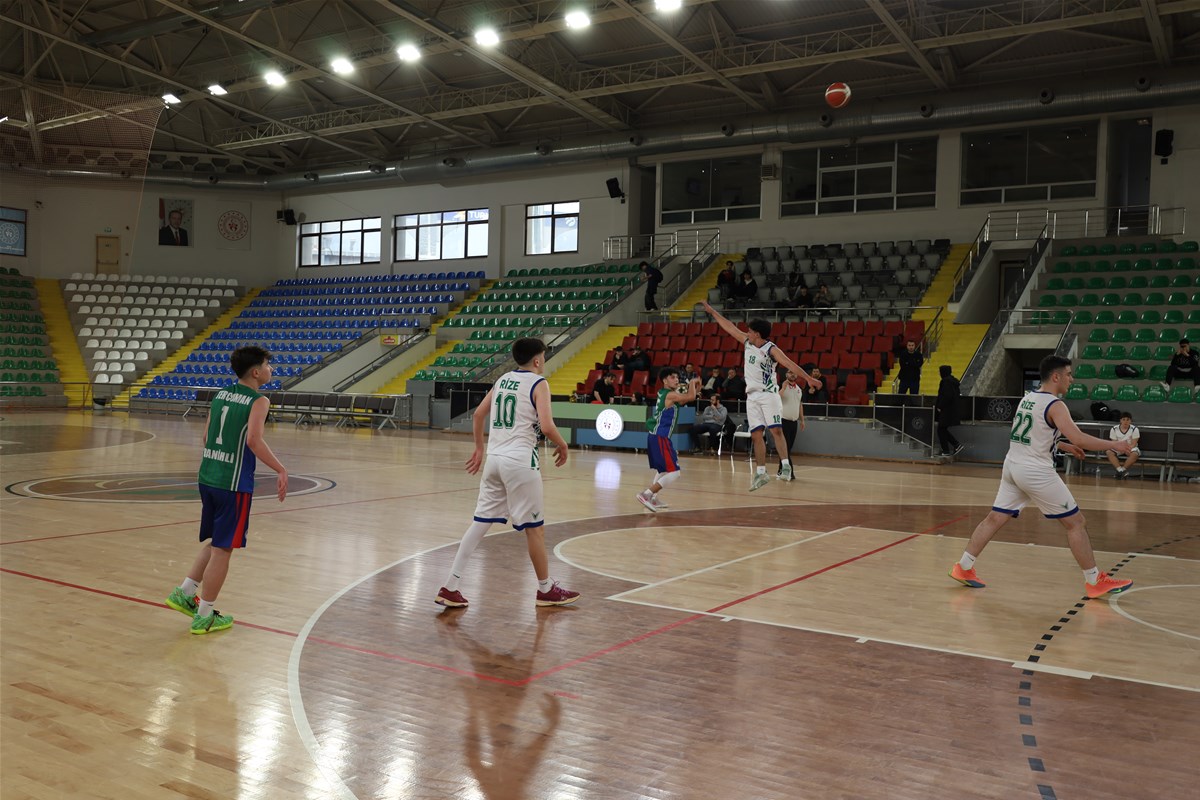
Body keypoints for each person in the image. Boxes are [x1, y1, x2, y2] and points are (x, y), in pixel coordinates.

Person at [948, 355, 1134, 600]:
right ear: (1056, 377)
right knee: (1076, 523)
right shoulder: (1056, 405)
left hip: (1013, 466)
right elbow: (1079, 437)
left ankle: (963, 566)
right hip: (1035, 471)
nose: (1071, 379)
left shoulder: (1028, 398)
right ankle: (1094, 580)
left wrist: (1064, 446)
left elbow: (1034, 434)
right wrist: (1115, 445)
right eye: (1069, 374)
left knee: (995, 517)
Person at [435, 337, 579, 608]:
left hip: (494, 460)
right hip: (520, 463)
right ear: (537, 360)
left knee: (480, 523)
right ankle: (545, 589)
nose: (544, 361)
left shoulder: (502, 380)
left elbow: (478, 415)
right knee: (535, 530)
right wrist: (562, 445)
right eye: (543, 357)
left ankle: (450, 586)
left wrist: (479, 449)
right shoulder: (539, 383)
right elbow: (547, 426)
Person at [163, 346, 288, 635]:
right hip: (233, 483)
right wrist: (280, 469)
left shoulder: (220, 395)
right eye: (267, 365)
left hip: (208, 476)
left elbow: (207, 437)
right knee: (223, 549)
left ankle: (185, 592)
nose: (271, 369)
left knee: (217, 542)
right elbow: (254, 440)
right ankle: (205, 615)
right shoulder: (259, 400)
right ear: (255, 372)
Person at [702, 301, 822, 489]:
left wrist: (808, 378)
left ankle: (785, 466)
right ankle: (761, 473)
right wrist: (712, 312)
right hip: (752, 396)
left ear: (757, 334)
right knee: (756, 435)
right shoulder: (747, 342)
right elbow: (730, 327)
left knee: (776, 431)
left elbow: (789, 364)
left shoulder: (771, 349)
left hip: (768, 394)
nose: (746, 333)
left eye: (749, 331)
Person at [637, 367, 701, 512]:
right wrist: (692, 383)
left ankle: (653, 499)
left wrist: (695, 388)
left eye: (677, 377)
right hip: (660, 437)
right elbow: (690, 397)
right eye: (673, 377)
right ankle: (646, 494)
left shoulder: (665, 393)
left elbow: (687, 399)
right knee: (675, 473)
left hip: (656, 436)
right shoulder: (671, 395)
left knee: (662, 470)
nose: (676, 380)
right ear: (665, 381)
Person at [776, 369, 805, 479]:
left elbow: (799, 404)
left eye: (794, 373)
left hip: (794, 422)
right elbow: (776, 399)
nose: (792, 374)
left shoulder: (798, 389)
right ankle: (790, 472)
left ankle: (780, 471)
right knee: (786, 448)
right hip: (783, 421)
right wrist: (783, 388)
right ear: (786, 374)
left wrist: (802, 420)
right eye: (790, 372)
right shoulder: (781, 386)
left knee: (788, 448)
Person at [935, 364, 964, 456]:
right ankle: (955, 446)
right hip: (952, 410)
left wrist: (940, 406)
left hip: (947, 410)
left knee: (941, 429)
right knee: (942, 429)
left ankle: (948, 449)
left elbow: (946, 396)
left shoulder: (945, 382)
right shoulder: (953, 382)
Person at [1105, 412, 1141, 478]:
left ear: (1130, 421)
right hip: (1118, 447)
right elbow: (1114, 443)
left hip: (1130, 447)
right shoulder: (1114, 429)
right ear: (1120, 420)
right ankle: (1120, 470)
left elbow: (1134, 443)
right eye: (1123, 419)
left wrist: (1127, 449)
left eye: (1127, 420)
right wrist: (1122, 449)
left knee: (1135, 454)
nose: (1125, 422)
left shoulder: (1135, 429)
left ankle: (1122, 470)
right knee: (1109, 452)